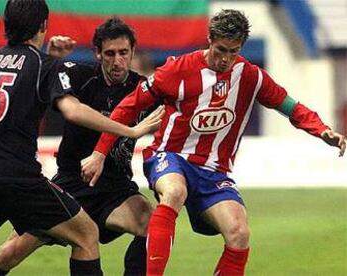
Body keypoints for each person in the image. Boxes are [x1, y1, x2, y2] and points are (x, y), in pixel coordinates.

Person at [81, 9, 347, 276]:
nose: (226, 58)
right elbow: (128, 106)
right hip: (170, 156)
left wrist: (321, 129)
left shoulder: (251, 76)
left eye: (234, 51)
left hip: (213, 171)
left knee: (239, 232)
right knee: (174, 192)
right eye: (221, 49)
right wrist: (100, 152)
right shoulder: (177, 69)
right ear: (209, 39)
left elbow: (290, 106)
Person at [0, 1, 163, 276]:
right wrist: (131, 131)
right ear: (43, 25)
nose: (117, 60)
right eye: (110, 53)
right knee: (80, 236)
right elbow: (72, 109)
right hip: (26, 178)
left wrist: (51, 58)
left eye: (123, 53)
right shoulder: (58, 69)